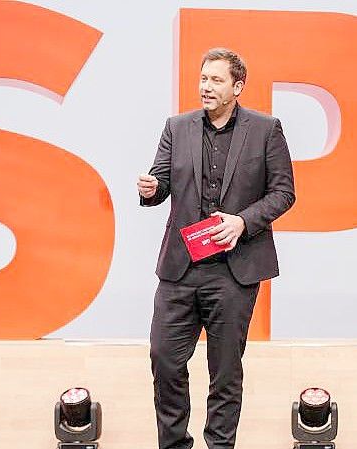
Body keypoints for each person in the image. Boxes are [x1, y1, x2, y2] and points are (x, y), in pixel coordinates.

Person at [137, 47, 295, 449]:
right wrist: (152, 190)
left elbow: (283, 192)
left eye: (216, 80)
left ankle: (219, 446)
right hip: (180, 269)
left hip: (233, 270)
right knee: (165, 360)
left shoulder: (265, 129)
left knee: (225, 372)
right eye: (203, 78)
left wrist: (244, 222)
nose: (205, 87)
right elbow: (161, 181)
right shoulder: (177, 126)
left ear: (237, 87)